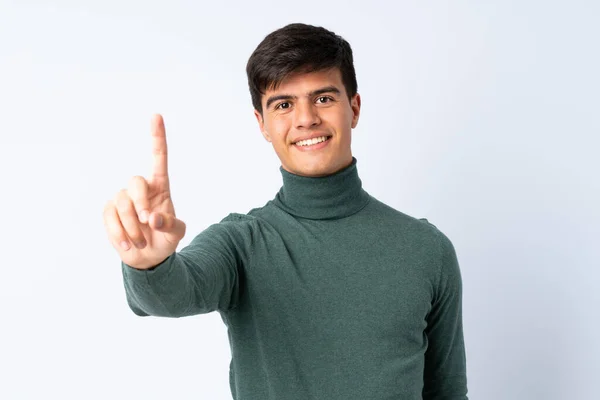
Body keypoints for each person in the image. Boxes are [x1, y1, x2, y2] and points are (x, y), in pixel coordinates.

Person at [103, 23, 468, 400]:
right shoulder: (241, 244)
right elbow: (173, 293)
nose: (306, 118)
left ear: (354, 108)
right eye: (283, 104)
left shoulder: (427, 250)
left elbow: (448, 392)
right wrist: (149, 265)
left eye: (323, 98)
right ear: (262, 123)